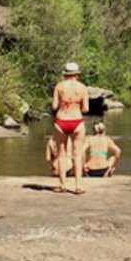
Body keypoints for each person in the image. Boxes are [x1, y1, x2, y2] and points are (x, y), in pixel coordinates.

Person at [51, 62, 89, 194]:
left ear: (65, 74)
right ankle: (78, 186)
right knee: (77, 155)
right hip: (77, 121)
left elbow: (54, 106)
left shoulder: (59, 86)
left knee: (61, 155)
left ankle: (62, 185)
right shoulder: (82, 87)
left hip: (61, 120)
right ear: (77, 74)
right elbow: (86, 109)